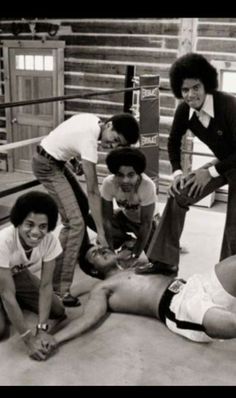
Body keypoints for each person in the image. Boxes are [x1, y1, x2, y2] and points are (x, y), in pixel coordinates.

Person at [135, 52, 236, 276]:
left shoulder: (229, 105)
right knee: (178, 195)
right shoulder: (185, 109)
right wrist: (178, 173)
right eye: (184, 90)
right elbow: (173, 142)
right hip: (223, 161)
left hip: (230, 162)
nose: (191, 95)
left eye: (196, 87)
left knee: (234, 229)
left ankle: (227, 279)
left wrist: (209, 172)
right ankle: (165, 261)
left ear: (206, 85)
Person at [35, 253, 236, 360]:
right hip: (178, 306)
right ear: (94, 270)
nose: (100, 249)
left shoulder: (137, 265)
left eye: (99, 246)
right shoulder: (103, 287)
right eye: (94, 254)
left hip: (192, 284)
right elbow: (89, 317)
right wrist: (55, 338)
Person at [32, 112, 140, 306]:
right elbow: (92, 190)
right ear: (109, 125)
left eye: (118, 144)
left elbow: (64, 134)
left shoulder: (93, 120)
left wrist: (73, 161)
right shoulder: (90, 140)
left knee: (80, 209)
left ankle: (78, 255)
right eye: (114, 139)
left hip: (56, 161)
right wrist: (100, 233)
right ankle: (59, 288)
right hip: (47, 166)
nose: (112, 146)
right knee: (75, 223)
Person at [0, 191, 66, 360]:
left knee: (57, 310)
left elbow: (46, 285)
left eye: (43, 226)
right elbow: (7, 293)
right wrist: (29, 339)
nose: (36, 232)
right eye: (29, 224)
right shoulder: (3, 241)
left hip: (15, 274)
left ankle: (16, 302)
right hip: (4, 279)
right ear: (18, 222)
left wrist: (42, 329)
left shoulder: (51, 240)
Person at [101, 147, 157, 268]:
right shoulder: (108, 183)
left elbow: (146, 224)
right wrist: (110, 250)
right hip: (125, 217)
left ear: (138, 174)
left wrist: (135, 255)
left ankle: (136, 245)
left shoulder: (147, 185)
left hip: (148, 222)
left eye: (131, 175)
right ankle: (128, 241)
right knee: (92, 217)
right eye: (120, 175)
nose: (125, 180)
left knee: (157, 262)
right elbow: (106, 219)